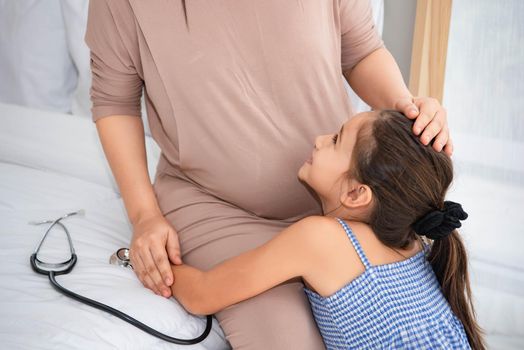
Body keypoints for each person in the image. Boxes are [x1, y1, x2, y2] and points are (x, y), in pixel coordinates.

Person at [85, 0, 454, 348]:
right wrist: (144, 217)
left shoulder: (351, 203)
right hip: (216, 208)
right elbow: (114, 101)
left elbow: (361, 50)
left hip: (339, 207)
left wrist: (405, 112)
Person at [170, 110, 486, 349]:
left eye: (336, 140)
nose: (319, 140)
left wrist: (145, 254)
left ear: (356, 194)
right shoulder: (413, 243)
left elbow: (202, 295)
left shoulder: (321, 238)